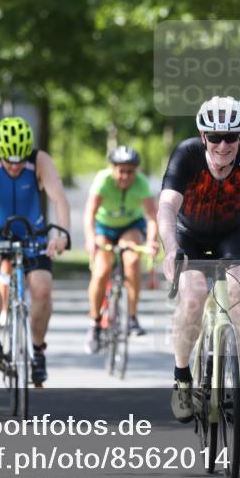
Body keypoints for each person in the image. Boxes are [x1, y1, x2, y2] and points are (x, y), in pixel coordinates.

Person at [157, 96, 240, 424]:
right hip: (190, 234)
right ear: (204, 137)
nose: (223, 145)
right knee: (192, 298)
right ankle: (182, 379)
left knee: (239, 292)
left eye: (231, 137)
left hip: (232, 231)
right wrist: (172, 249)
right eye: (215, 137)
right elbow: (167, 207)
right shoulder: (187, 154)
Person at [0, 116, 70, 384]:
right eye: (10, 161)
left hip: (33, 231)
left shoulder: (39, 160)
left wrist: (62, 235)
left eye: (20, 160)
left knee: (42, 289)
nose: (15, 166)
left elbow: (59, 199)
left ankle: (38, 349)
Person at [83, 145, 160, 352]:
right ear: (112, 168)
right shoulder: (103, 181)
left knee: (133, 261)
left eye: (130, 172)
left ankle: (132, 317)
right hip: (104, 227)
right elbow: (89, 213)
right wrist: (90, 239)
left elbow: (152, 218)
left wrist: (152, 241)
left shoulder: (142, 184)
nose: (125, 176)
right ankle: (95, 322)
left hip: (130, 226)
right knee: (101, 271)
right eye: (121, 171)